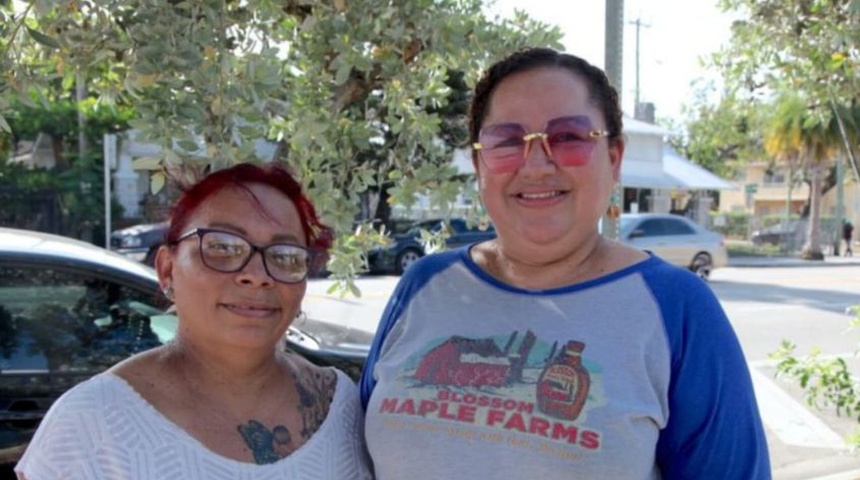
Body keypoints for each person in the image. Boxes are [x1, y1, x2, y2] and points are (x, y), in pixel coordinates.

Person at [359, 47, 770, 479]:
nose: (535, 165)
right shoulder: (426, 282)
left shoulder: (677, 308)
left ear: (613, 158)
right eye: (506, 142)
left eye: (569, 138)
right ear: (480, 163)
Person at [16, 163, 373, 479]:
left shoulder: (339, 406)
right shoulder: (91, 425)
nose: (257, 275)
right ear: (167, 269)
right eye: (222, 246)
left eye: (285, 255)